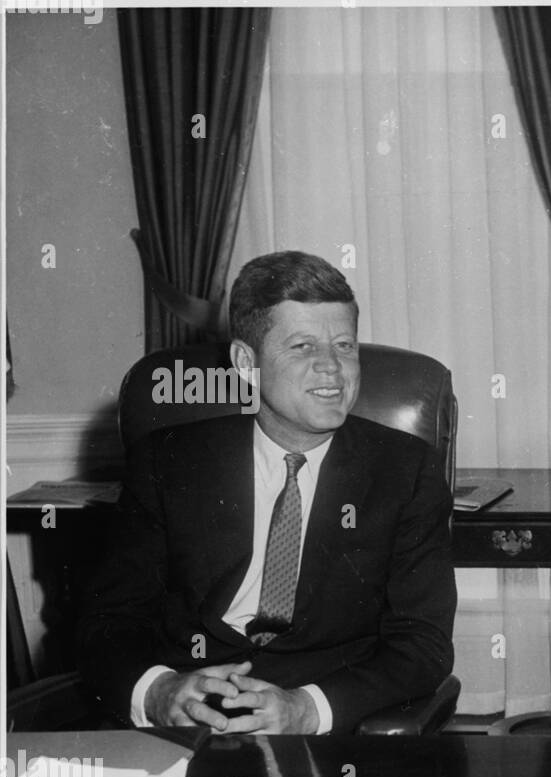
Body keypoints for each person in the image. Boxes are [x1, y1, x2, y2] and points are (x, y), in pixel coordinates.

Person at [78, 251, 456, 736]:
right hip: (183, 721)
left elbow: (422, 644)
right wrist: (156, 691)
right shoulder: (168, 461)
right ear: (245, 362)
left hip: (321, 727)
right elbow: (107, 621)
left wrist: (306, 708)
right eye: (302, 347)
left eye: (344, 345)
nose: (332, 369)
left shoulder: (405, 471)